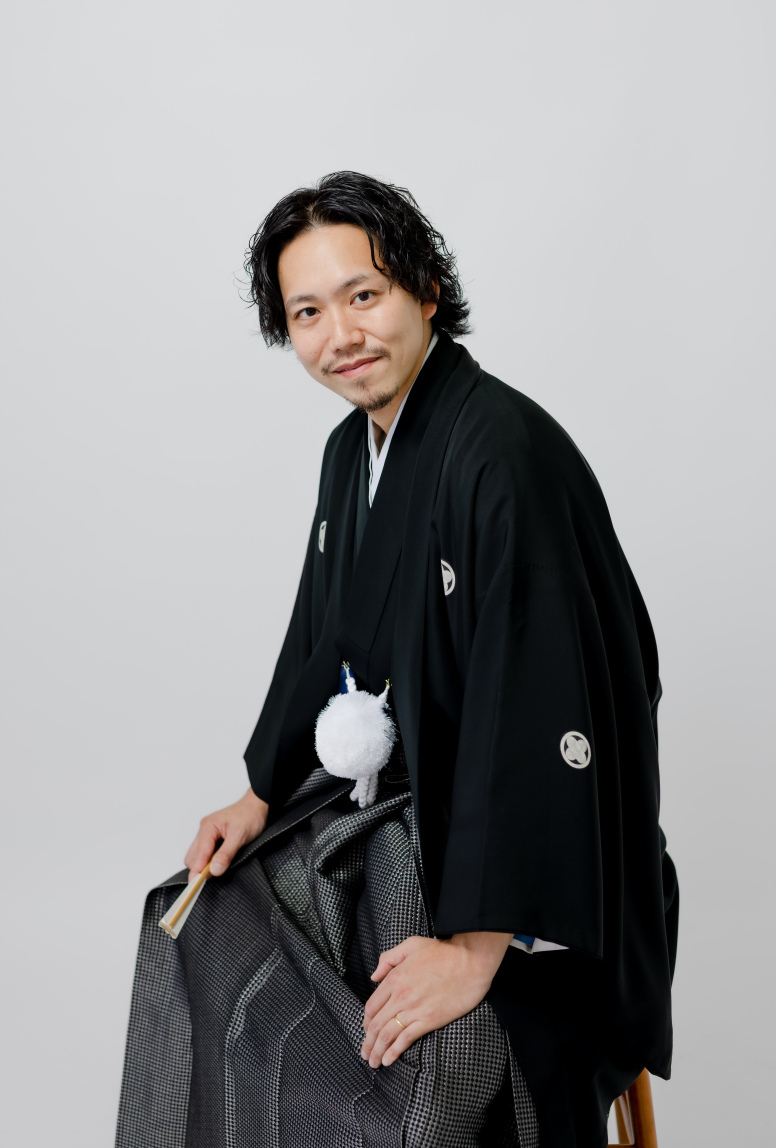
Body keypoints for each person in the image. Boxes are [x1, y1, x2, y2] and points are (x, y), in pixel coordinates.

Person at [116, 172, 678, 1148]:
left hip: (539, 886)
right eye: (307, 312)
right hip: (421, 830)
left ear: (425, 288)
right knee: (201, 927)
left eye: (363, 295)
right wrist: (258, 792)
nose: (340, 334)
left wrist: (474, 946)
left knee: (417, 1076)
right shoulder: (352, 452)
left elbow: (542, 706)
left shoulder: (502, 455)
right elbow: (320, 640)